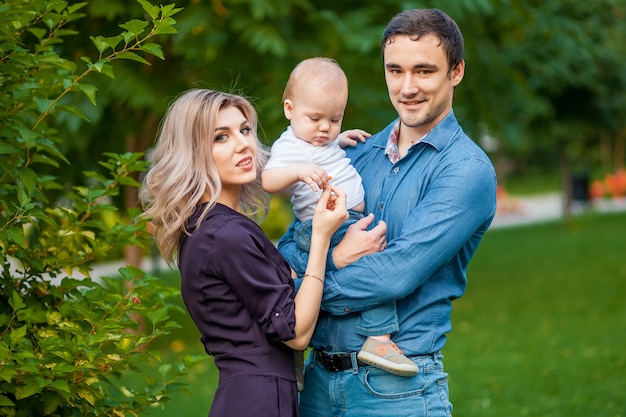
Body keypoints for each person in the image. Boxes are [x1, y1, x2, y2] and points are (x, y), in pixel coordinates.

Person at [277, 8, 498, 417]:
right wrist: (327, 260)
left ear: (456, 72)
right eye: (395, 70)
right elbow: (292, 243)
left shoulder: (466, 172)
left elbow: (395, 273)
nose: (407, 87)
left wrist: (293, 292)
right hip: (315, 386)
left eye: (424, 71)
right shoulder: (353, 155)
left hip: (396, 394)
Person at [141, 88, 349, 417]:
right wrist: (322, 236)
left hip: (252, 395)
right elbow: (295, 332)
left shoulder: (209, 228)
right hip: (259, 401)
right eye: (220, 137)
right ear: (194, 153)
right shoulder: (225, 234)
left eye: (244, 130)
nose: (243, 144)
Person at [261, 57, 418, 381]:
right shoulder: (289, 146)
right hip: (322, 224)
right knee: (376, 264)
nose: (324, 128)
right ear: (289, 109)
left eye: (335, 118)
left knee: (340, 264)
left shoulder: (322, 138)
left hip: (342, 219)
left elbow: (326, 144)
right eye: (315, 118)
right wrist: (298, 172)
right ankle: (378, 338)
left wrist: (340, 138)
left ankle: (292, 353)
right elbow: (269, 180)